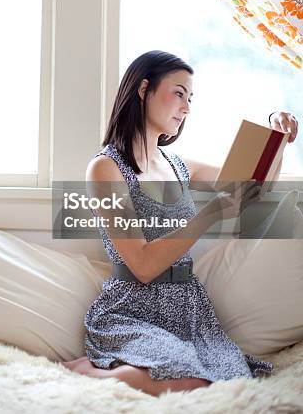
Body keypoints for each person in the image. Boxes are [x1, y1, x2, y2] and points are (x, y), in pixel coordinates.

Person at [60, 50, 299, 397]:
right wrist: (211, 213)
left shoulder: (177, 164)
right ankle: (89, 372)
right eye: (178, 93)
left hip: (189, 307)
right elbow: (141, 265)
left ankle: (128, 370)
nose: (186, 108)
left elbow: (253, 187)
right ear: (143, 89)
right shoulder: (105, 168)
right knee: (188, 379)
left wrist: (276, 130)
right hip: (133, 308)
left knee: (232, 378)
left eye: (190, 98)